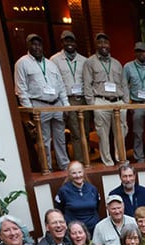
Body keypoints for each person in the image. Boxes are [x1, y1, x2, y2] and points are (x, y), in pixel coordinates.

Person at [15, 33, 69, 172]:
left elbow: (61, 85)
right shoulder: (22, 63)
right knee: (44, 140)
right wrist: (29, 110)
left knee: (60, 138)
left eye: (39, 44)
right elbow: (21, 88)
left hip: (56, 104)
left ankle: (64, 165)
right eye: (33, 44)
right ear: (28, 46)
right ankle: (47, 167)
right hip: (39, 104)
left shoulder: (51, 64)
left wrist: (66, 106)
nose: (37, 47)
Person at [83, 32, 128, 166]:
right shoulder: (90, 62)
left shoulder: (117, 63)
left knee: (121, 132)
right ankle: (107, 161)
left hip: (118, 101)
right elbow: (87, 84)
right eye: (100, 42)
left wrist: (125, 102)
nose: (103, 45)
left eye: (106, 43)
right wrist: (92, 104)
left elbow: (123, 84)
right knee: (103, 134)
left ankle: (121, 159)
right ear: (96, 45)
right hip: (101, 101)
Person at [51, 30, 87, 162]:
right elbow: (55, 82)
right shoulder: (54, 60)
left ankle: (86, 157)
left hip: (83, 99)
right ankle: (80, 161)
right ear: (62, 42)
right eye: (66, 40)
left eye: (71, 40)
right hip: (68, 99)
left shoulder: (84, 60)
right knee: (76, 133)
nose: (69, 43)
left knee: (85, 131)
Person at [124, 42, 145, 160]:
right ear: (135, 53)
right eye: (138, 51)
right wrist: (128, 104)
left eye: (143, 51)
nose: (141, 53)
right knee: (138, 133)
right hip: (137, 104)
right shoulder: (128, 67)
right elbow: (124, 85)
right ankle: (139, 158)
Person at [55, 163, 102, 234]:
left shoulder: (92, 189)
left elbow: (97, 206)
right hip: (74, 233)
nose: (78, 176)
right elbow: (59, 210)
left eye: (80, 172)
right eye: (74, 173)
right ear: (69, 175)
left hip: (94, 230)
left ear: (83, 172)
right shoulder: (63, 191)